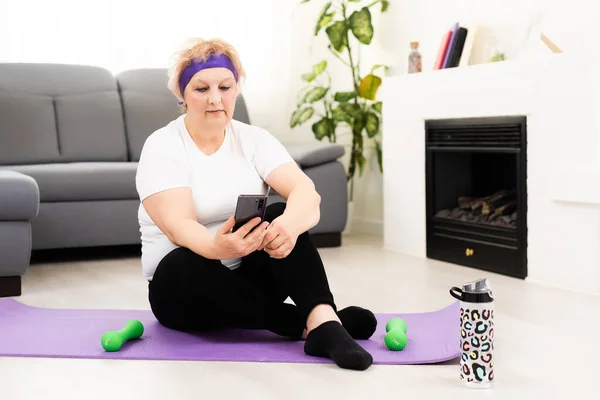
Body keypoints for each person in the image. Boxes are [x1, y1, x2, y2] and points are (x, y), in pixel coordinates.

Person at [135, 38, 377, 371]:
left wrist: (288, 228)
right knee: (181, 263)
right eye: (201, 89)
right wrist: (218, 246)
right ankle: (312, 324)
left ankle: (321, 317)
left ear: (237, 89)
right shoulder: (162, 146)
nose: (215, 98)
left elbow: (307, 194)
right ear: (182, 94)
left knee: (279, 214)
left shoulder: (254, 139)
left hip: (250, 284)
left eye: (225, 86)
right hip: (184, 294)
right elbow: (179, 227)